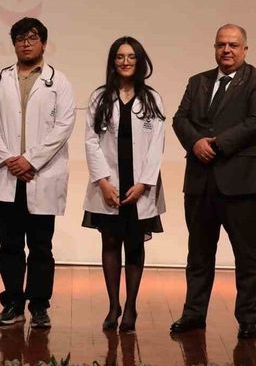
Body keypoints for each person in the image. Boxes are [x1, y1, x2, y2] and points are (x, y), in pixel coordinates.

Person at [169, 24, 256, 340]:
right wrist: (195, 142)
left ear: (245, 49)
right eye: (221, 44)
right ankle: (193, 314)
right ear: (214, 48)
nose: (226, 50)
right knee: (199, 254)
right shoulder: (198, 81)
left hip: (241, 183)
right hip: (200, 182)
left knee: (247, 256)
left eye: (233, 45)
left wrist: (215, 145)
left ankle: (247, 320)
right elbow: (179, 119)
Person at [0, 17, 76, 329]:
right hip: (6, 174)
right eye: (20, 38)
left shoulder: (59, 82)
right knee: (9, 245)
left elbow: (64, 126)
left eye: (32, 38)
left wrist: (30, 161)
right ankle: (13, 303)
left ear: (43, 43)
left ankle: (39, 305)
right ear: (14, 44)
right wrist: (10, 159)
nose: (26, 43)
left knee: (40, 246)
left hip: (41, 174)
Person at [83, 37, 166, 333]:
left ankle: (130, 307)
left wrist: (144, 184)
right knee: (109, 243)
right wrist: (103, 182)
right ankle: (113, 306)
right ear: (113, 61)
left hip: (139, 185)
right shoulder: (99, 97)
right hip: (109, 184)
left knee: (134, 245)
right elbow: (91, 141)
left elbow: (157, 144)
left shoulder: (152, 99)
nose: (125, 62)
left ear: (140, 61)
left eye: (131, 56)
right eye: (120, 56)